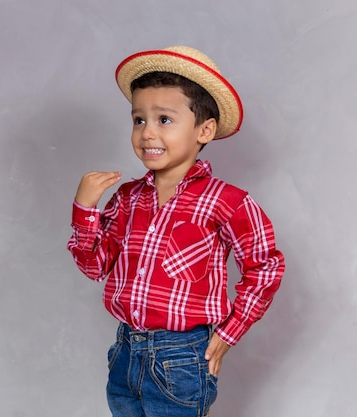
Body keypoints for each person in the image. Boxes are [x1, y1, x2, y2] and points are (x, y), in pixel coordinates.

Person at [66, 46, 285, 417]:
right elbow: (94, 267)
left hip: (182, 358)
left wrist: (228, 334)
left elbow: (265, 267)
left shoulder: (226, 201)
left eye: (164, 120)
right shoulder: (127, 198)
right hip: (125, 351)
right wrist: (84, 210)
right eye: (139, 120)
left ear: (205, 129)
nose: (147, 132)